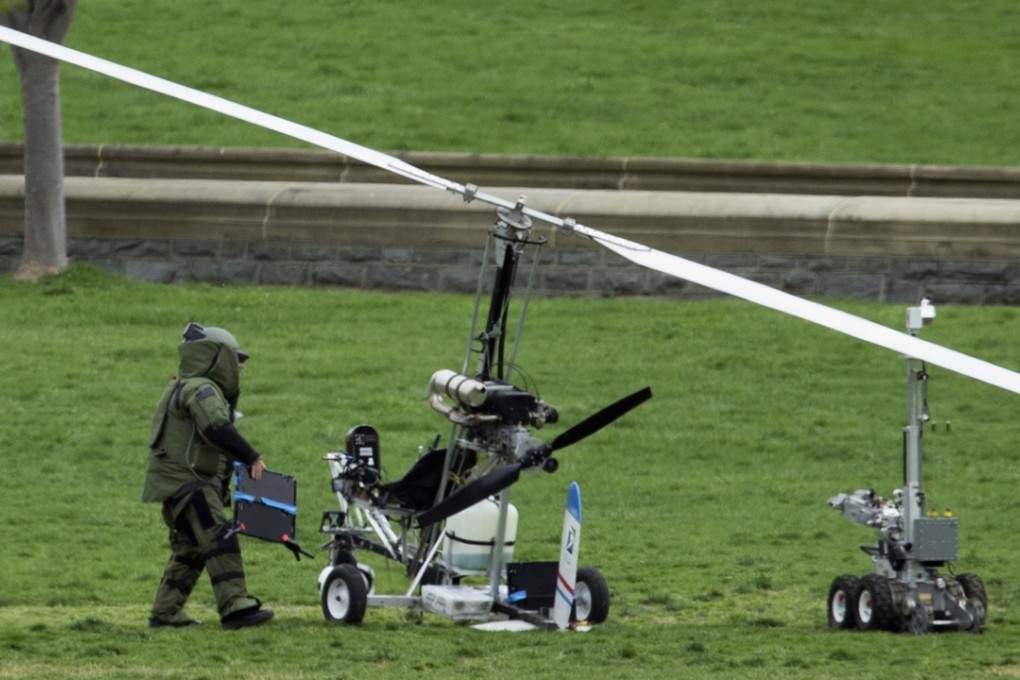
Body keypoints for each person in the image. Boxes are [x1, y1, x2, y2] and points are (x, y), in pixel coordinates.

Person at [143, 322, 274, 630]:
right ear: (217, 357)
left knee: (190, 549)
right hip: (191, 483)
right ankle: (235, 607)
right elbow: (217, 428)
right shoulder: (202, 389)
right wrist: (251, 456)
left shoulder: (181, 386)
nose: (239, 369)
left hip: (176, 484)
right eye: (236, 361)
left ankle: (165, 614)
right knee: (220, 538)